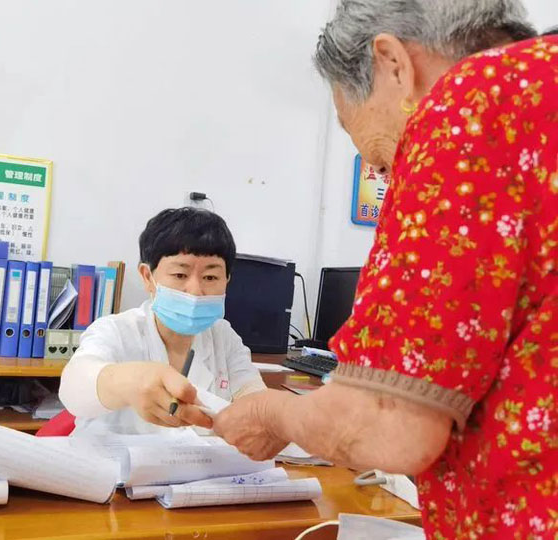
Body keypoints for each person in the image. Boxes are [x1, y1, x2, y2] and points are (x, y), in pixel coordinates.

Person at [213, 1, 557, 539]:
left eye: (382, 163)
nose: (390, 178)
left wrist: (270, 415)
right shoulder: (541, 85)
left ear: (393, 63)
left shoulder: (470, 103)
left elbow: (390, 426)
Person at [59, 207, 265, 434]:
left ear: (226, 280)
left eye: (210, 277)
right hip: (109, 456)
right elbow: (73, 387)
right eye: (180, 275)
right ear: (148, 277)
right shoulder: (115, 330)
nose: (195, 290)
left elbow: (254, 398)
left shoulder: (222, 336)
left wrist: (271, 415)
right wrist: (130, 381)